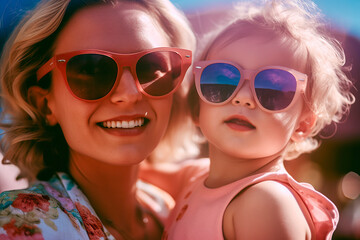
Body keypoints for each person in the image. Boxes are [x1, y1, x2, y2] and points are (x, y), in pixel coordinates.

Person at [0, 0, 201, 239]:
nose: (130, 94)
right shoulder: (15, 224)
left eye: (150, 67)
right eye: (91, 70)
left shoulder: (169, 208)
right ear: (45, 104)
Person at [163, 0, 355, 239]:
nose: (243, 98)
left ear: (303, 125)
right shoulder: (195, 178)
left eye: (273, 89)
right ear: (196, 105)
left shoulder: (265, 202)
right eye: (221, 80)